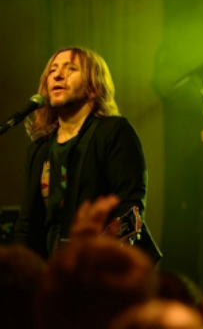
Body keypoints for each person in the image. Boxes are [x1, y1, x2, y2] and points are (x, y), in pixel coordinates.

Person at [14, 46, 161, 262]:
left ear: (93, 87)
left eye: (71, 68)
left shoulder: (113, 131)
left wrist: (96, 257)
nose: (57, 75)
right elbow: (25, 223)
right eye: (52, 70)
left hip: (99, 266)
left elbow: (129, 204)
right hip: (50, 269)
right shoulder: (39, 148)